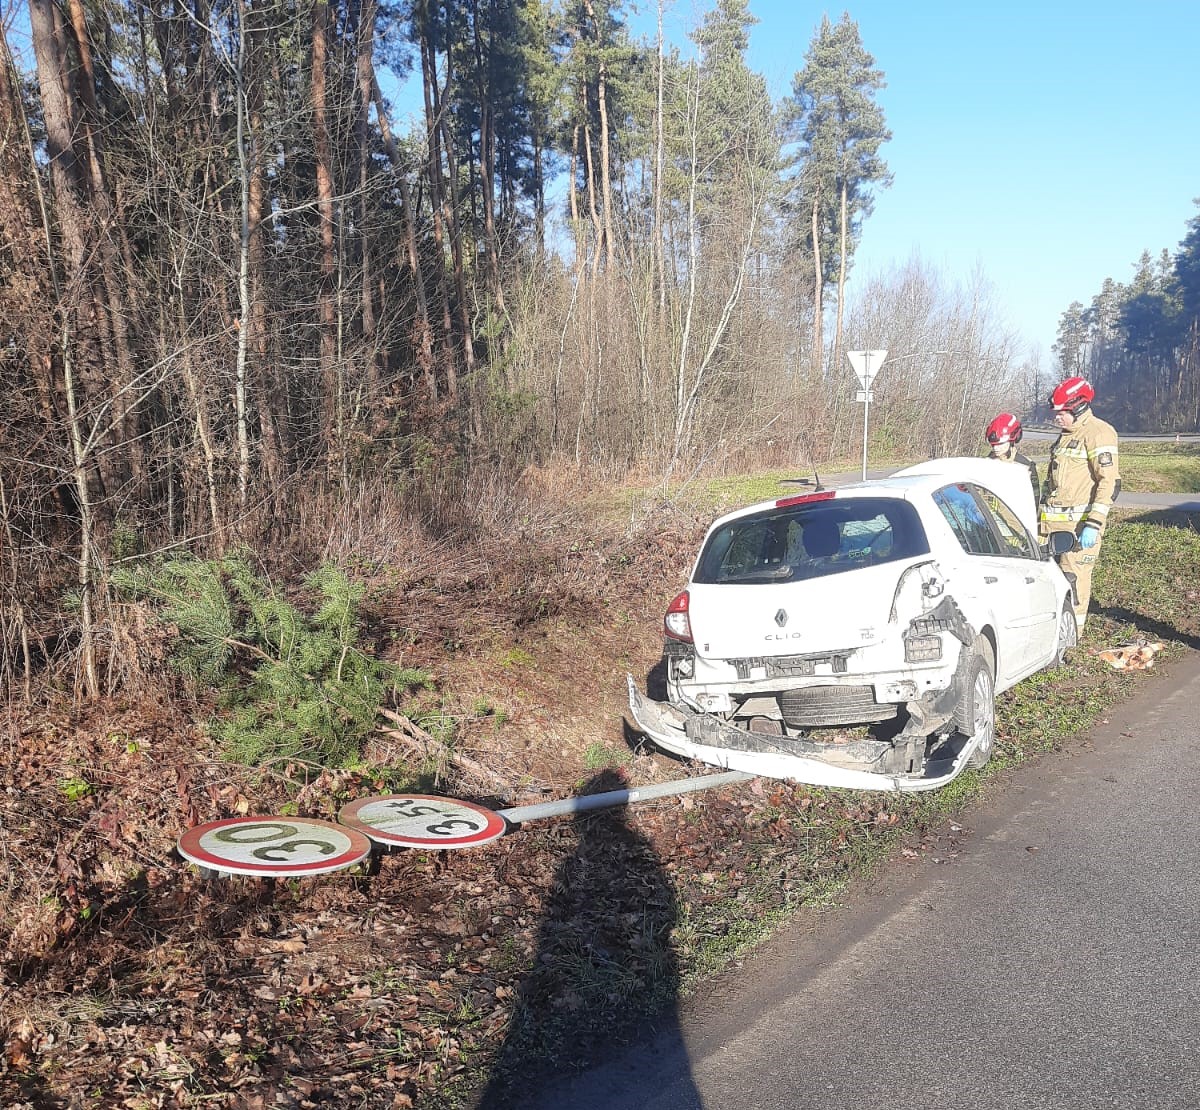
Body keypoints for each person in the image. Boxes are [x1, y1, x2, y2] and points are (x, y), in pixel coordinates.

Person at [1039, 376, 1120, 634]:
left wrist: (1093, 525)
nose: (1056, 418)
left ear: (1078, 407)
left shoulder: (1099, 433)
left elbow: (1108, 482)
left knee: (1073, 581)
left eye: (1061, 413)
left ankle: (1072, 638)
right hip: (1050, 527)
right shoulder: (1064, 436)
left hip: (1079, 529)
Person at [985, 412, 1041, 503]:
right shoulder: (985, 464)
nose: (996, 448)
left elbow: (1035, 500)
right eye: (993, 445)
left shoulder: (1026, 466)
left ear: (1012, 440)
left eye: (1000, 444)